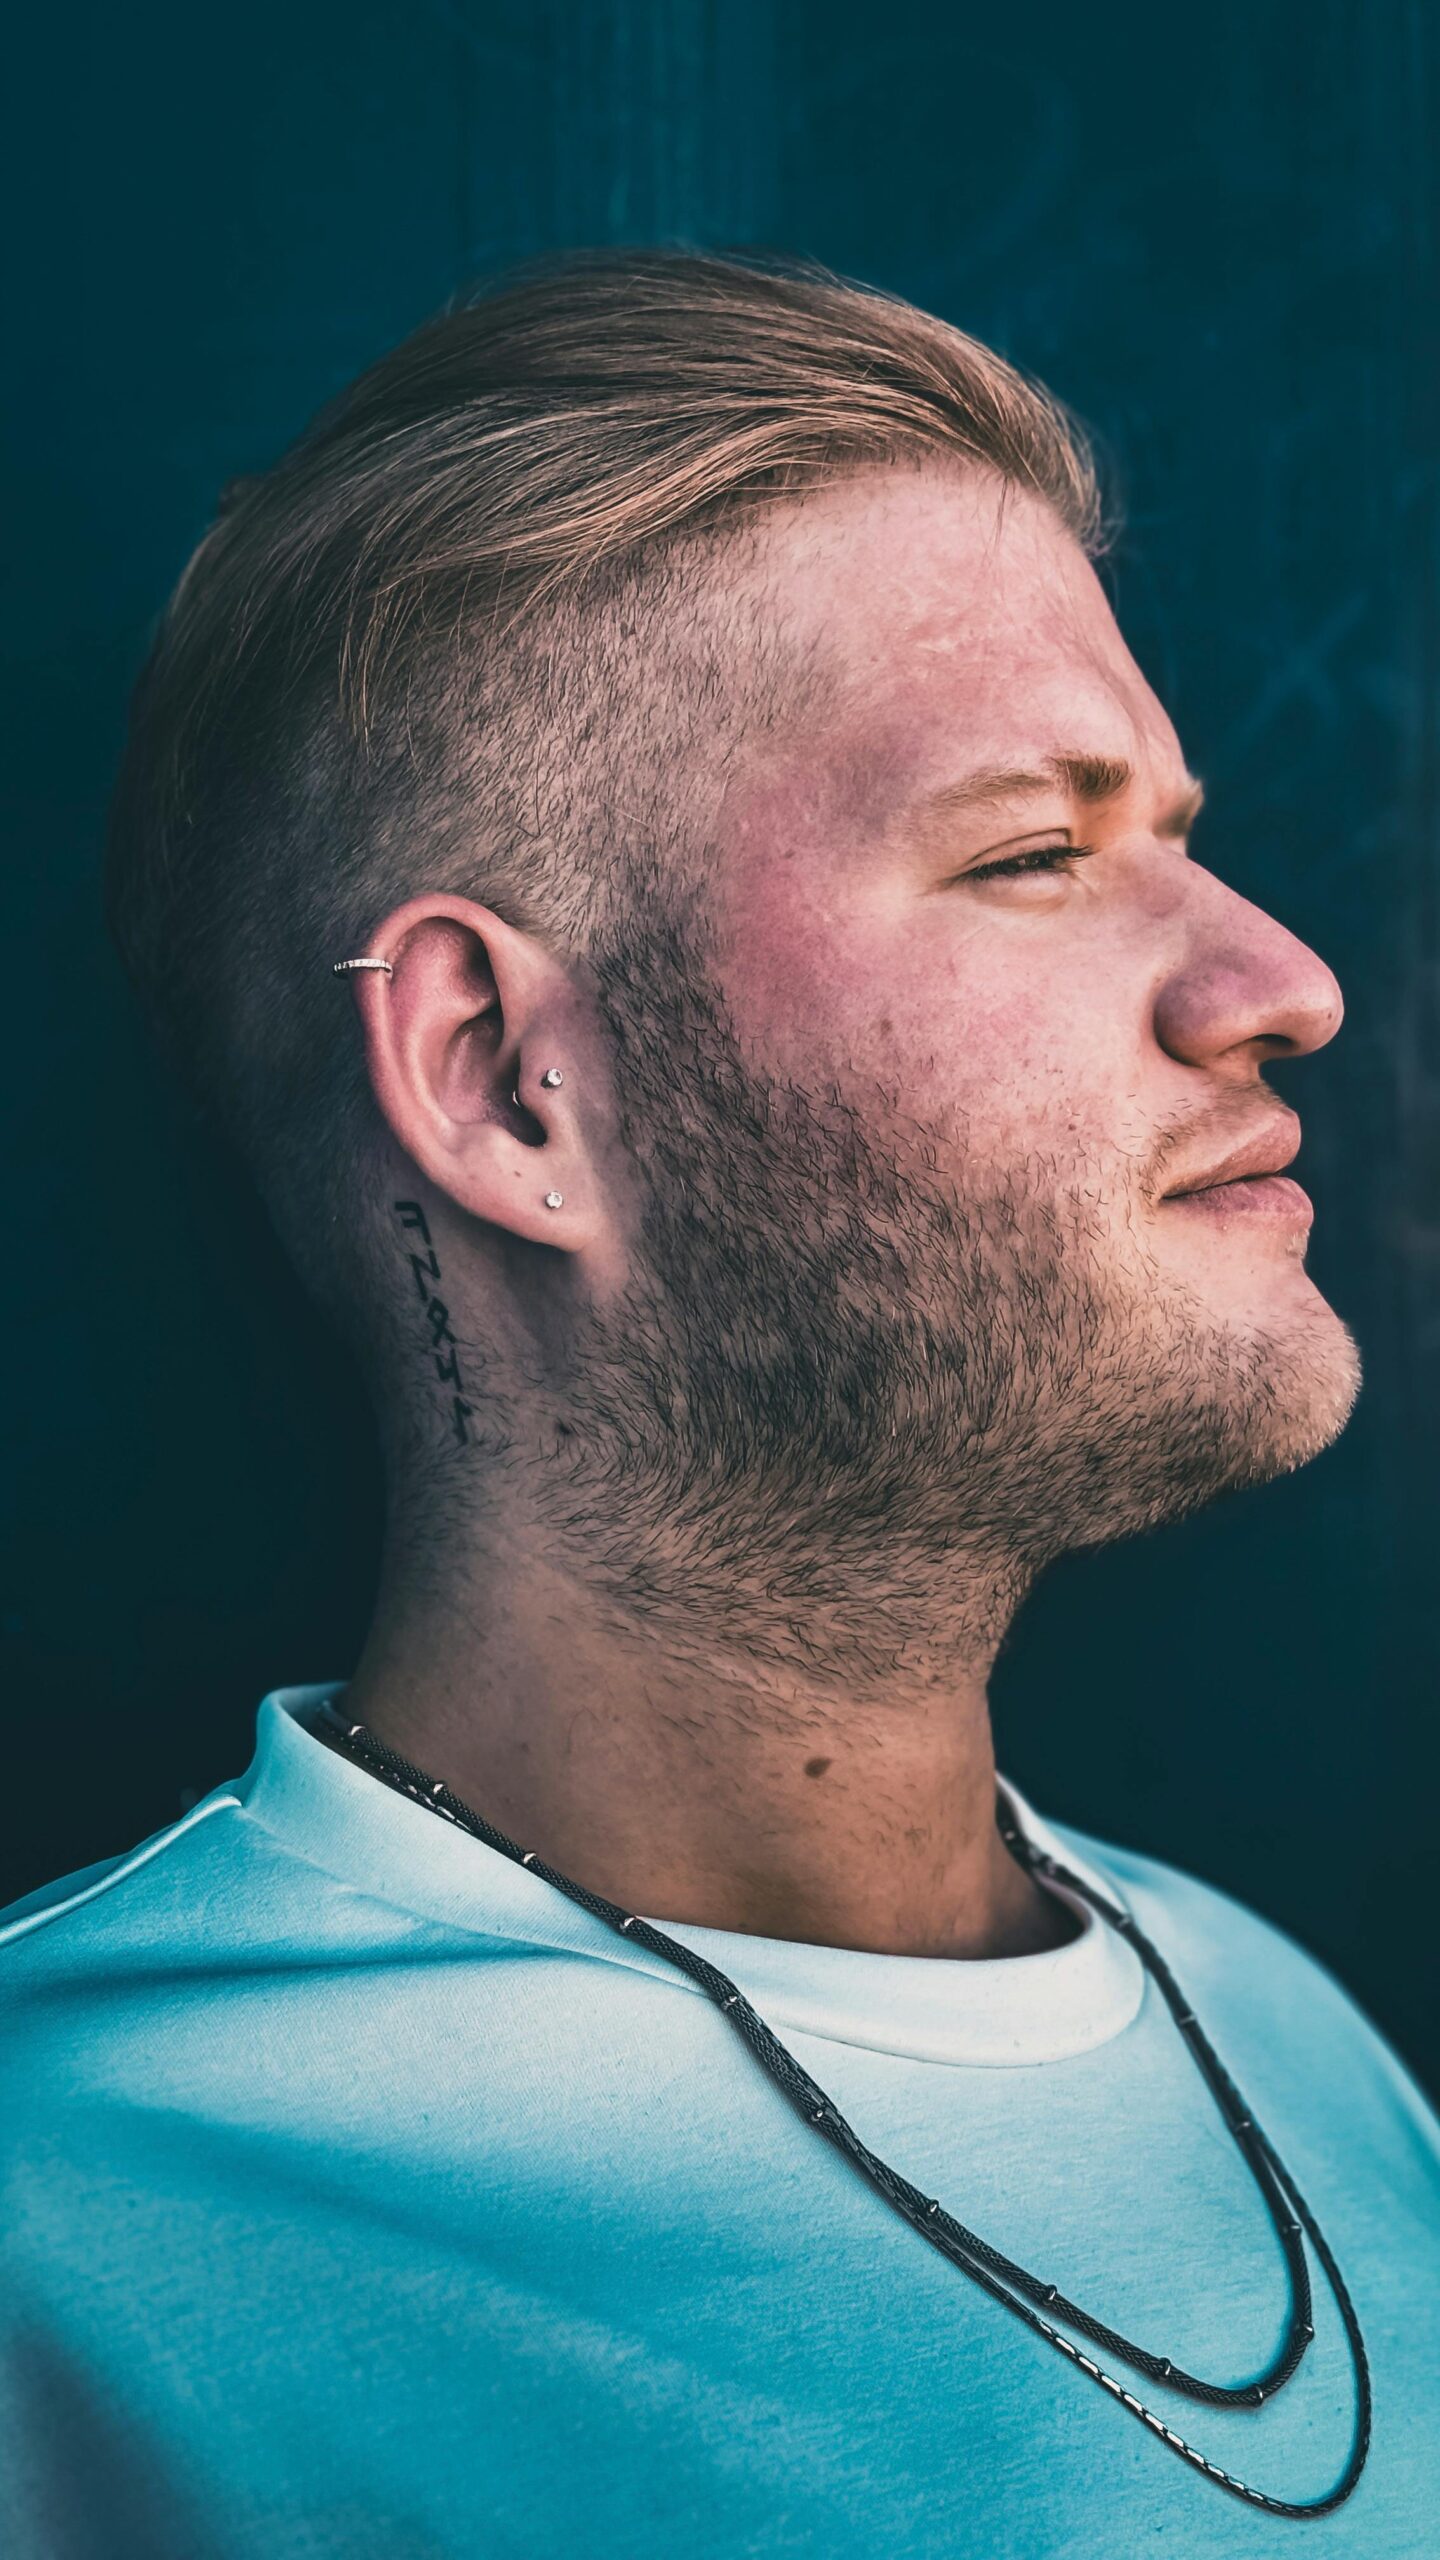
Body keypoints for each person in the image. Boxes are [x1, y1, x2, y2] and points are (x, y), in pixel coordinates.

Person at [3, 251, 1436, 2560]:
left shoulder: (1303, 2047)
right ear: (505, 1084)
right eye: (1037, 851)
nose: (1284, 978)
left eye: (1177, 825)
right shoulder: (61, 2225)